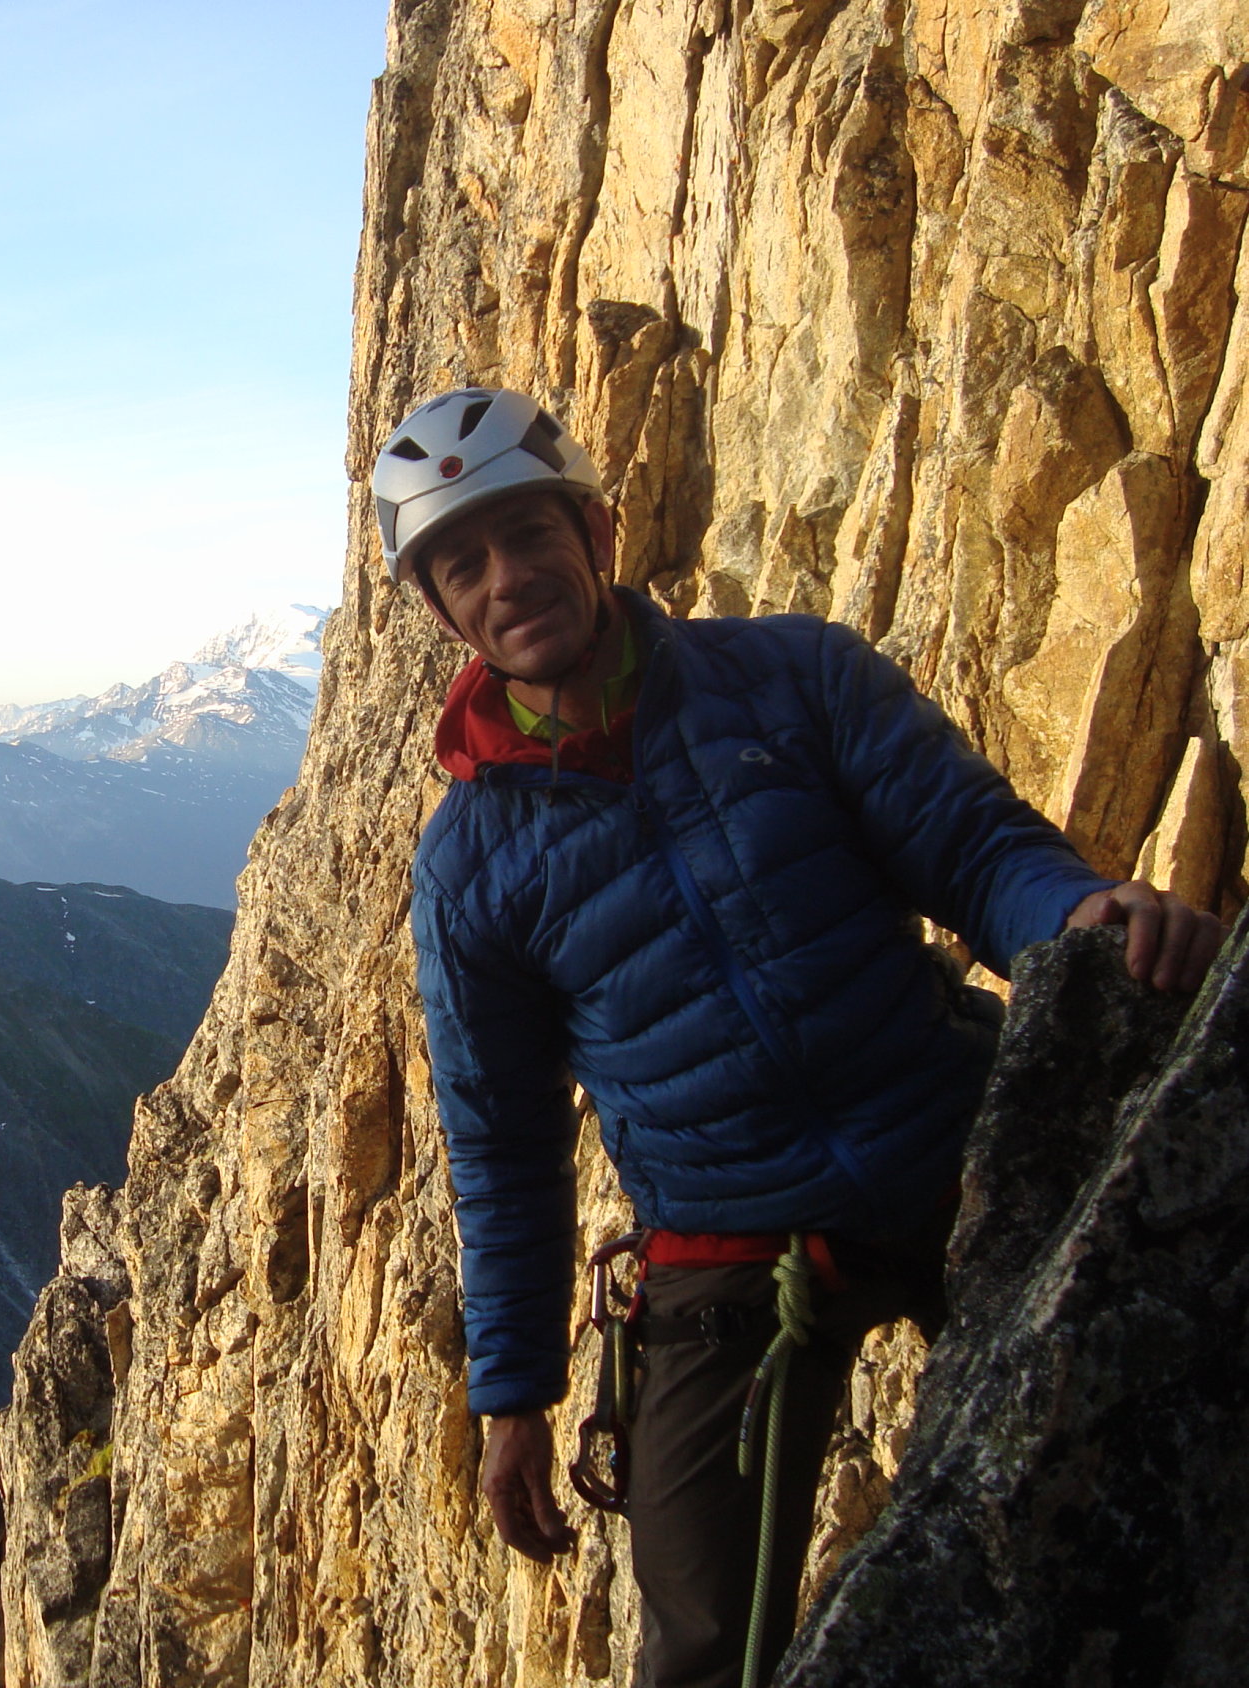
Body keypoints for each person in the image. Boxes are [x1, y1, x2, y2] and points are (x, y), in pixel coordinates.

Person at [377, 387, 1225, 1688]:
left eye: (530, 534)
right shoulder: (469, 870)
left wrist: (1079, 920)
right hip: (729, 1240)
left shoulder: (788, 679)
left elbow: (969, 847)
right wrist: (513, 1395)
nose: (508, 579)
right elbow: (501, 1144)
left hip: (951, 1138)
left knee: (1166, 1424)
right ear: (443, 612)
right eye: (463, 565)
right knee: (704, 1645)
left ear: (594, 534)